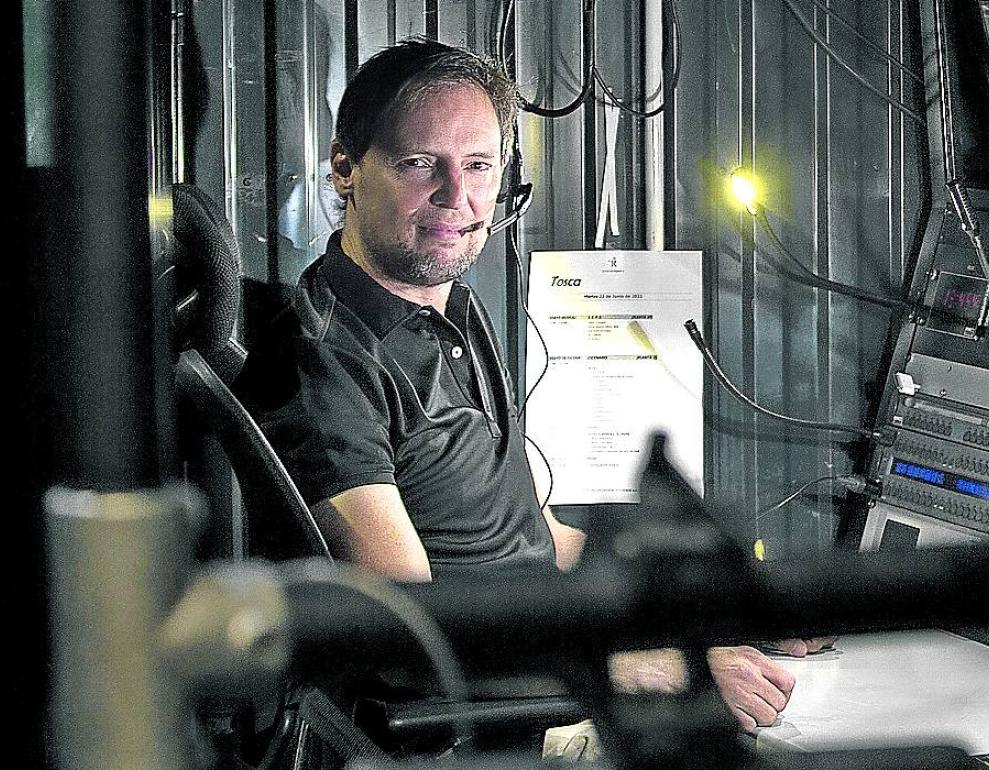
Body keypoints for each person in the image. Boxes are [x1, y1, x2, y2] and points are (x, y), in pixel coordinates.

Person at [246, 37, 822, 732]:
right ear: (345, 167)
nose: (456, 198)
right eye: (419, 163)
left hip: (544, 677)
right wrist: (640, 662)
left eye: (479, 166)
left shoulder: (452, 305)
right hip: (475, 732)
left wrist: (716, 610)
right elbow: (405, 632)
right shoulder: (326, 361)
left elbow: (537, 539)